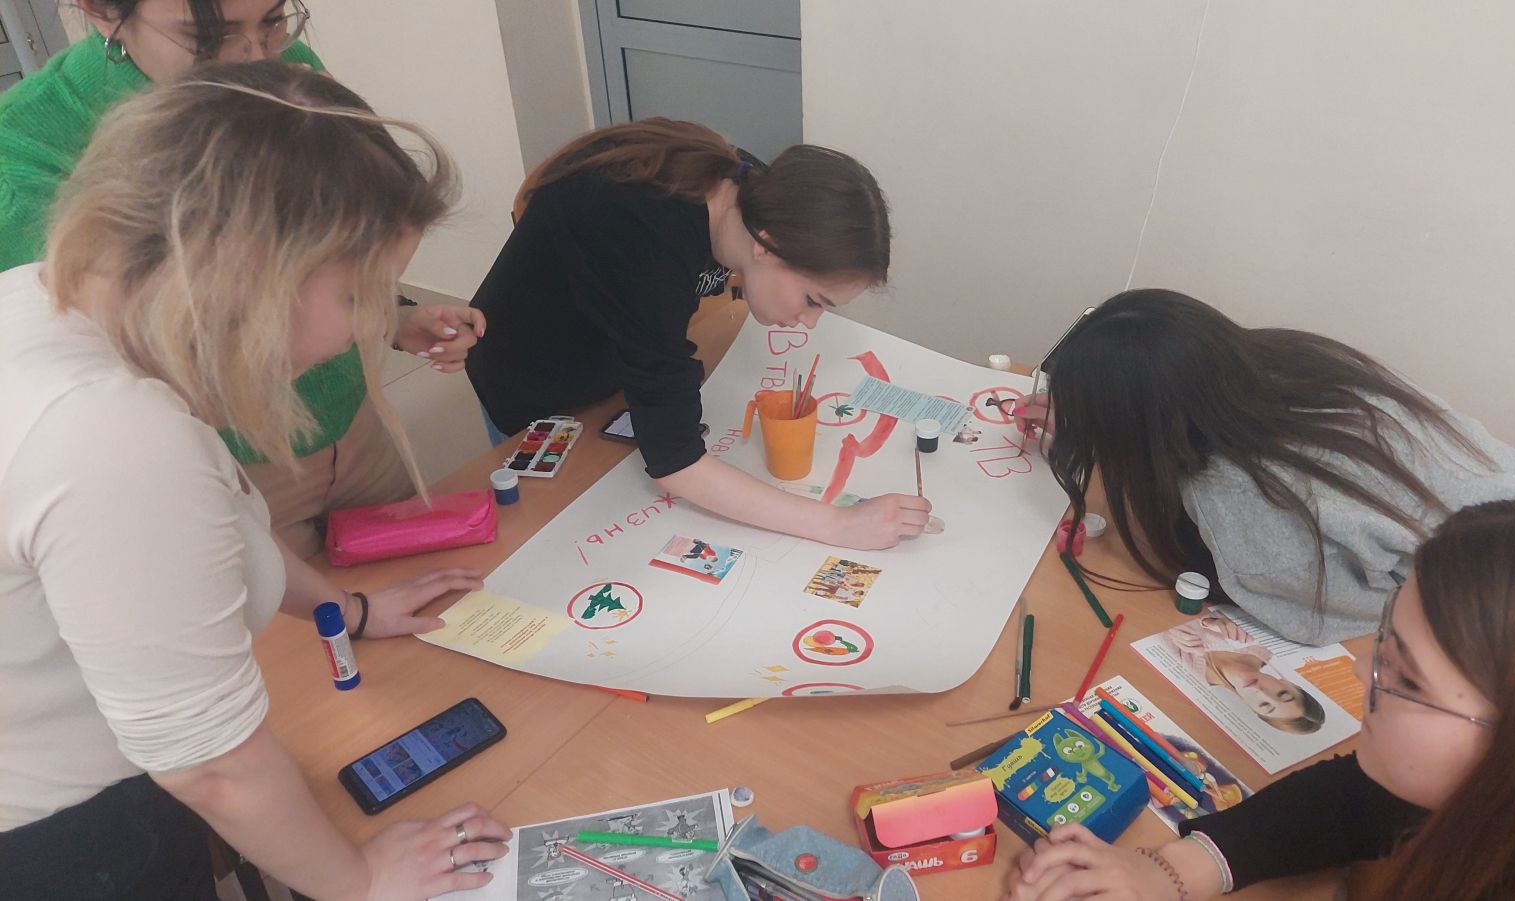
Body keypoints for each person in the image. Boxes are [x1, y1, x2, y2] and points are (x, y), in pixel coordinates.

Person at [0, 62, 509, 899]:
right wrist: (359, 879)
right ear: (249, 271)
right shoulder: (112, 434)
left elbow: (217, 530)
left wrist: (347, 610)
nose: (365, 331)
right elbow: (211, 765)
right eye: (357, 296)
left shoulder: (56, 297)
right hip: (63, 839)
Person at [0, 0, 485, 558]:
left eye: (273, 20)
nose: (257, 59)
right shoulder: (23, 154)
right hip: (232, 470)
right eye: (210, 36)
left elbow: (328, 245)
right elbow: (127, 356)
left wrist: (388, 315)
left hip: (351, 426)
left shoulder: (286, 66)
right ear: (102, 11)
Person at [1006, 497, 1515, 901]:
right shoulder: (1508, 800)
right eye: (1386, 639)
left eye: (1408, 680)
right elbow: (1357, 801)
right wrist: (1172, 871)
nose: (1364, 670)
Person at [1017, 289, 1515, 644]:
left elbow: (1320, 616)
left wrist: (1106, 438)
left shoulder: (1247, 506)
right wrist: (1099, 421)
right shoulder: (1290, 360)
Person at [467, 118, 930, 551]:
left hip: (608, 362)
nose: (810, 322)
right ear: (767, 246)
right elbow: (676, 463)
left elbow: (652, 332)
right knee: (546, 531)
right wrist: (838, 524)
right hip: (533, 382)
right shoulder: (646, 238)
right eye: (813, 300)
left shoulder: (750, 194)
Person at [1159, 615, 1325, 734]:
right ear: (1290, 684)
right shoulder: (1265, 642)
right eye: (1282, 694)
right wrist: (1210, 619)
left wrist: (1171, 623)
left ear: (1254, 710)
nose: (1260, 691)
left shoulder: (1194, 678)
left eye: (1264, 705)